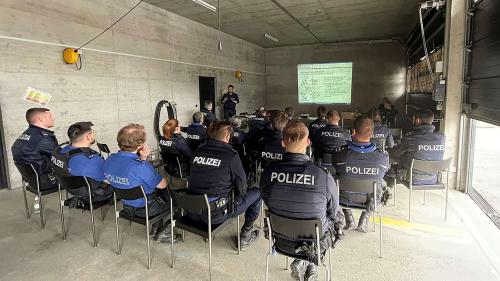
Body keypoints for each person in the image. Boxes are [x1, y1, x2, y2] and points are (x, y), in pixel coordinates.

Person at [260, 120, 343, 281]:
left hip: (280, 239)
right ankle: (311, 263)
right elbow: (332, 211)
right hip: (315, 241)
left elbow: (266, 199)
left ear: (283, 143)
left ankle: (301, 260)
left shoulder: (269, 172)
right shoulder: (323, 176)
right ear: (308, 142)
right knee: (335, 219)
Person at [187, 121, 261, 250]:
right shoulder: (231, 155)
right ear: (227, 137)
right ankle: (246, 235)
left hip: (192, 210)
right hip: (217, 215)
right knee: (258, 192)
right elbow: (242, 186)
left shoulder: (198, 150)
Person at [103, 124, 177, 243]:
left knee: (150, 189)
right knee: (177, 201)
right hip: (147, 209)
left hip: (126, 206)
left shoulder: (109, 160)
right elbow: (162, 185)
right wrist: (147, 164)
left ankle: (155, 228)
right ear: (140, 145)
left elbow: (109, 179)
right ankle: (165, 234)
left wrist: (142, 159)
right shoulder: (141, 167)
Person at [333, 115, 390, 233]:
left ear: (353, 132)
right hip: (370, 199)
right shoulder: (382, 157)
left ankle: (349, 219)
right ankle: (364, 220)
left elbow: (335, 167)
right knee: (380, 183)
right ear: (372, 134)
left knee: (338, 179)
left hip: (343, 198)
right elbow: (384, 171)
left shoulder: (340, 153)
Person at [51, 122, 112, 204]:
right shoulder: (92, 161)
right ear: (88, 136)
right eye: (93, 132)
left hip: (71, 189)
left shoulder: (62, 152)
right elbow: (111, 180)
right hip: (93, 195)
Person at [12, 108, 58, 213]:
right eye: (50, 116)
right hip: (45, 181)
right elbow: (59, 158)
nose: (53, 118)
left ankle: (37, 199)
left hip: (30, 180)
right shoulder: (44, 138)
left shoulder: (26, 134)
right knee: (79, 168)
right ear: (41, 119)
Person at [390, 109, 445, 185]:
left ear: (418, 120)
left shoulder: (411, 138)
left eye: (413, 119)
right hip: (433, 178)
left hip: (411, 179)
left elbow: (395, 153)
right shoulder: (442, 138)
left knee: (389, 157)